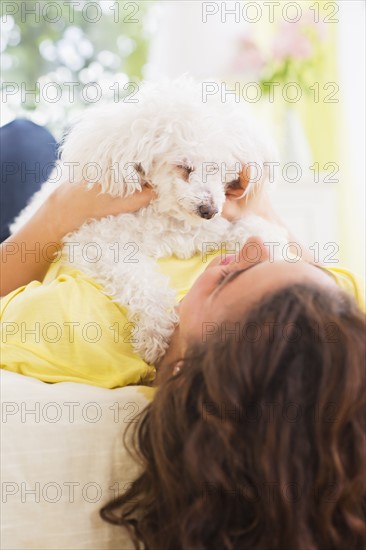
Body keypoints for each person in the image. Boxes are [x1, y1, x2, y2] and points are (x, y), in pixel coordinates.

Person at [1, 172, 365, 548]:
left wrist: (56, 213)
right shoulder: (339, 317)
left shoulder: (83, 326)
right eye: (286, 258)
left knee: (24, 139)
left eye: (229, 277)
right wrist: (264, 213)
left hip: (44, 237)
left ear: (184, 372)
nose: (255, 242)